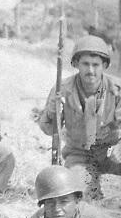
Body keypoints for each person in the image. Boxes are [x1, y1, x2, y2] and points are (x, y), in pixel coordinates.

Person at [38, 35, 121, 200]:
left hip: (110, 151)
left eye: (96, 65)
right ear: (76, 64)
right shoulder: (62, 89)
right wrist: (52, 110)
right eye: (85, 64)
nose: (91, 70)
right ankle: (92, 187)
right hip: (79, 155)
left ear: (104, 65)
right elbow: (47, 129)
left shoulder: (117, 90)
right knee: (77, 195)